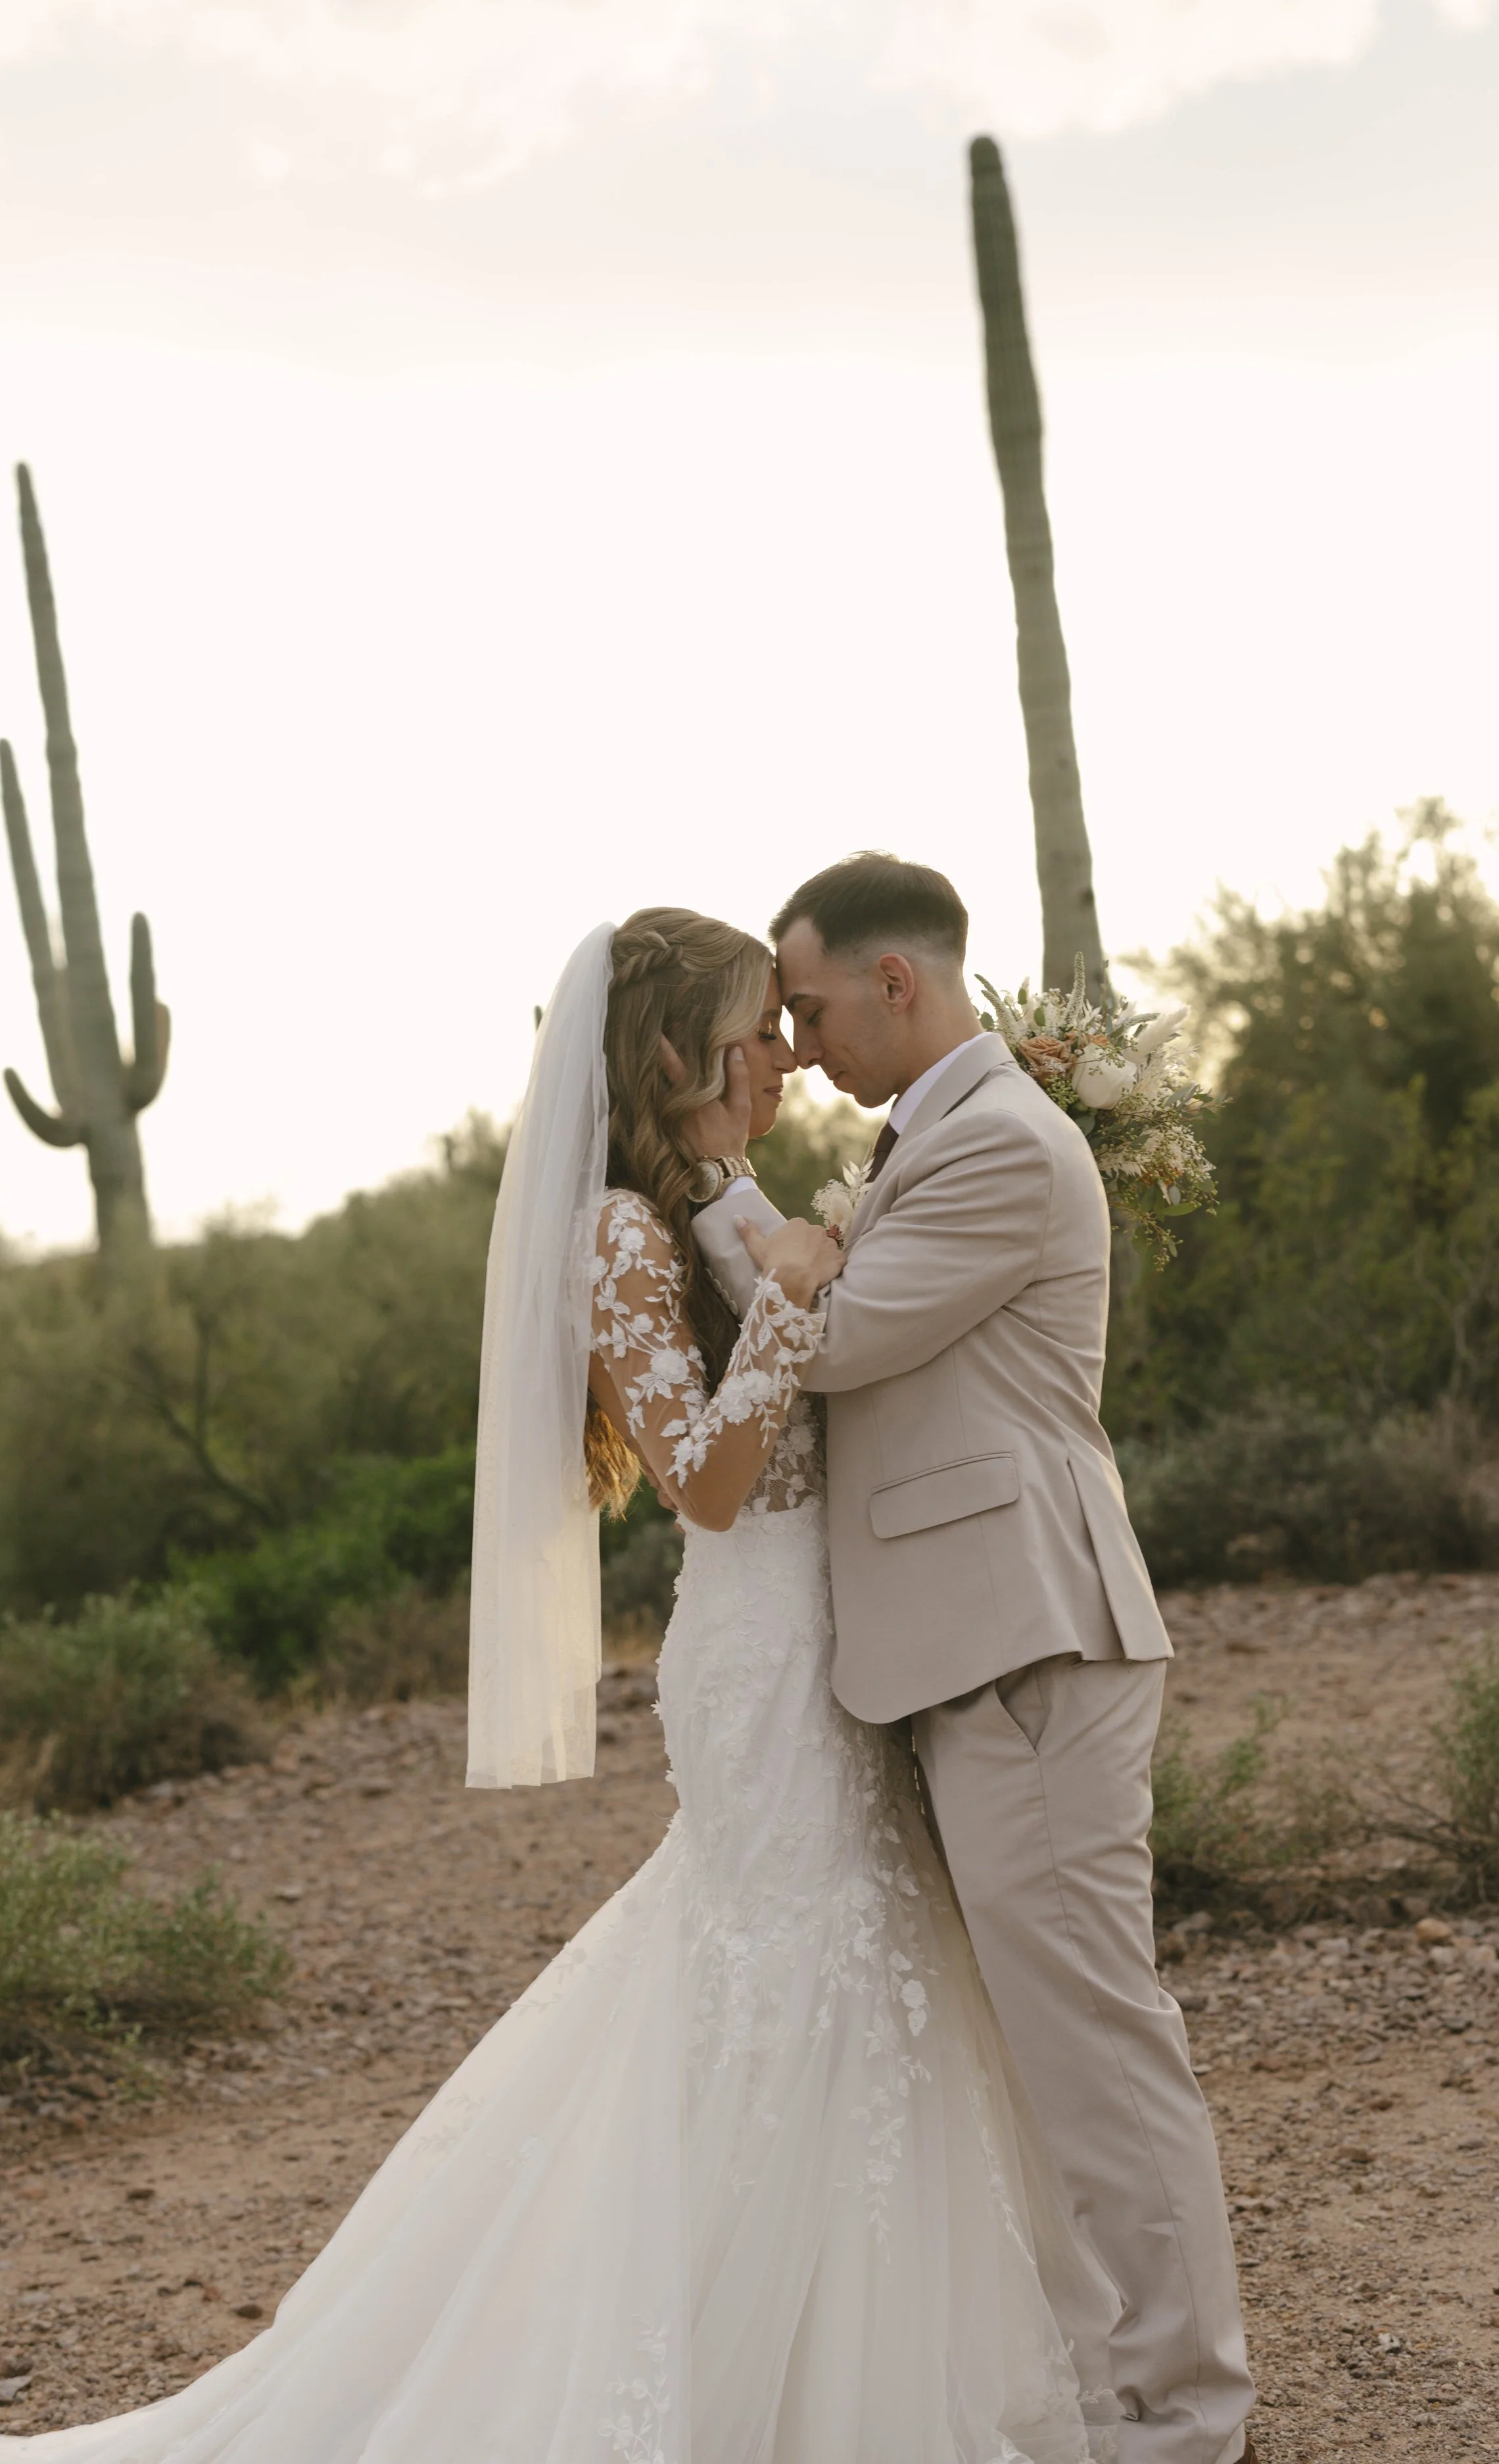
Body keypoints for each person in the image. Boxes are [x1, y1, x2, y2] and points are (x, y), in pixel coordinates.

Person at [3, 907, 1117, 2464]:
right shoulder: (616, 1232)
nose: (783, 1055)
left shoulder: (727, 1193)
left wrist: (811, 1265)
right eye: (753, 1029)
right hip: (757, 1660)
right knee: (785, 1965)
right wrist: (797, 1294)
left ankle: (859, 2375)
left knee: (862, 1971)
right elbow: (705, 1482)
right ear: (671, 1054)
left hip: (835, 1643)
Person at [690, 856, 1254, 2464]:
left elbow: (845, 1337)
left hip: (1027, 1641)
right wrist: (790, 1227)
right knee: (1038, 2037)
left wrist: (718, 1186)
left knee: (1092, 2037)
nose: (793, 1047)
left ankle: (1184, 2413)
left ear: (893, 983)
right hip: (972, 1644)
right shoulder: (932, 1140)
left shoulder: (1002, 1143)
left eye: (803, 1007)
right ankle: (1112, 2376)